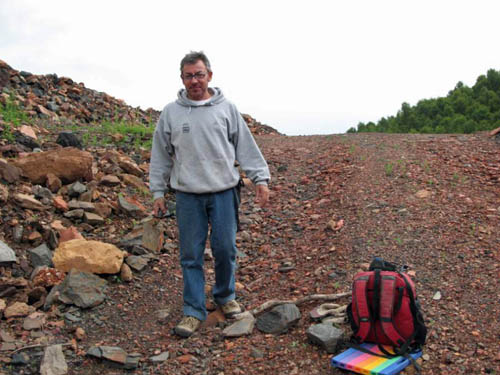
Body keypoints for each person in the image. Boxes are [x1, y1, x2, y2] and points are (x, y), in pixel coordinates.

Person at [149, 51, 271, 337]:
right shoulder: (171, 113)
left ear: (210, 76)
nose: (195, 80)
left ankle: (225, 296)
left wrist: (260, 179)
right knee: (190, 254)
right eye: (189, 75)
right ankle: (193, 311)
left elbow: (246, 146)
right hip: (188, 195)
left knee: (225, 248)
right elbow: (161, 156)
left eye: (199, 74)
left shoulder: (226, 109)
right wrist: (157, 192)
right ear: (182, 78)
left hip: (224, 192)